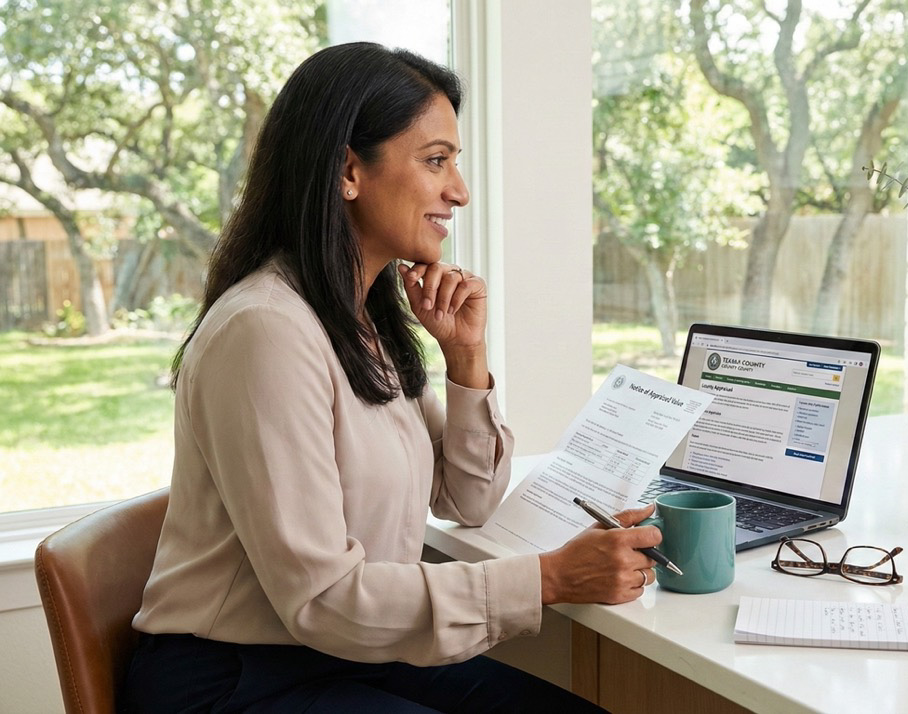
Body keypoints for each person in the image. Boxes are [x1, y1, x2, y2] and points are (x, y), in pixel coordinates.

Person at [122, 42, 661, 713]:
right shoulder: (265, 332)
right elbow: (322, 600)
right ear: (349, 170)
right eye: (437, 161)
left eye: (455, 163)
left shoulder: (361, 320)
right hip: (234, 680)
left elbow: (467, 499)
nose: (459, 190)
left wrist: (465, 358)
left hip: (340, 650)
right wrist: (547, 579)